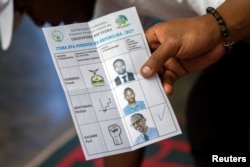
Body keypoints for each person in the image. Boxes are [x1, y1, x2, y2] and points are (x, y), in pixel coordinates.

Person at [94, 0, 250, 167]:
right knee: (208, 124)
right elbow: (121, 115)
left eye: (60, 21)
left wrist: (213, 26)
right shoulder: (109, 7)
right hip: (232, 39)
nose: (65, 24)